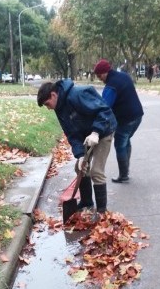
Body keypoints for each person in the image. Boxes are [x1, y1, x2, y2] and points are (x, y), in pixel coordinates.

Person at [37, 79, 117, 214]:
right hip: (87, 136)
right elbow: (71, 134)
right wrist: (80, 155)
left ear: (53, 95)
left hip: (104, 130)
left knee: (96, 171)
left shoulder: (78, 94)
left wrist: (96, 132)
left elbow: (104, 111)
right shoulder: (59, 108)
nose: (48, 107)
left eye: (47, 104)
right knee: (80, 168)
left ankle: (102, 212)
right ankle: (87, 203)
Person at [93, 59, 144, 183]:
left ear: (106, 72)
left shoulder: (111, 86)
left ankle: (123, 174)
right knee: (125, 141)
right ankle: (125, 170)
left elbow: (105, 107)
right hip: (138, 115)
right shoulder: (124, 76)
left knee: (120, 144)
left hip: (126, 119)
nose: (99, 78)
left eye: (100, 75)